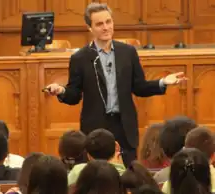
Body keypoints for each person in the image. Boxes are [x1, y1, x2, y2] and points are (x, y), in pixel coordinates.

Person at [44, 3, 187, 167]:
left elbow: (139, 87)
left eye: (108, 22)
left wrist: (163, 82)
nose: (106, 28)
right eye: (99, 24)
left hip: (125, 128)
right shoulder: (80, 58)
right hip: (96, 130)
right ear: (89, 28)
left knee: (128, 176)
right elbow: (74, 95)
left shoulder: (128, 52)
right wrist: (61, 90)